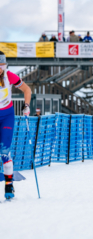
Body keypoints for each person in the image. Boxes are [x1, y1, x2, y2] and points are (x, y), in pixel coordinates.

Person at [0, 51, 31, 199]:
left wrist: (26, 106)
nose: (0, 67)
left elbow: (27, 90)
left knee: (5, 151)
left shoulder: (9, 76)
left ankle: (9, 185)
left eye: (2, 64)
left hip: (6, 116)